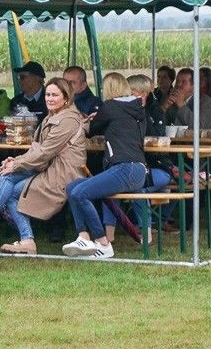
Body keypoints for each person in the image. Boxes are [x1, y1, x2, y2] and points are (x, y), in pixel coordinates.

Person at [0, 77, 87, 255]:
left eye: (55, 95)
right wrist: (15, 161)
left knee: (12, 187)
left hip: (62, 174)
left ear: (66, 99)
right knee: (7, 176)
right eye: (47, 94)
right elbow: (37, 151)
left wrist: (17, 163)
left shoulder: (67, 120)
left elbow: (45, 152)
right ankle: (17, 235)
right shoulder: (51, 118)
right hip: (47, 168)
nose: (49, 98)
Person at [62, 72, 147, 259]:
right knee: (72, 187)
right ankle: (83, 237)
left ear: (108, 89)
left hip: (124, 167)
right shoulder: (136, 109)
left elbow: (91, 131)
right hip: (137, 169)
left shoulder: (109, 106)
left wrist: (89, 118)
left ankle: (102, 243)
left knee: (79, 193)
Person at [103, 74, 174, 244]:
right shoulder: (123, 112)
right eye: (134, 93)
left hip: (157, 168)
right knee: (108, 190)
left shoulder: (153, 112)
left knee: (138, 190)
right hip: (133, 167)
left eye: (143, 94)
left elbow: (156, 143)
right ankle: (108, 235)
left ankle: (146, 233)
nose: (139, 97)